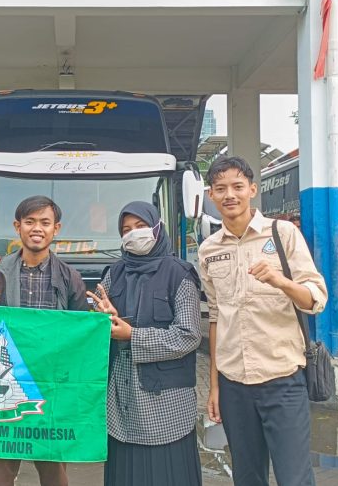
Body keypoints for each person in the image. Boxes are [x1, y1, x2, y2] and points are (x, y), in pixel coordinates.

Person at [199, 156, 328, 486]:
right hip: (233, 384)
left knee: (294, 477)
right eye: (221, 188)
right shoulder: (209, 249)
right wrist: (214, 386)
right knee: (247, 476)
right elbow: (215, 318)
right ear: (211, 195)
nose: (230, 195)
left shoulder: (282, 234)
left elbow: (316, 298)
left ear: (252, 190)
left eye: (238, 187)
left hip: (282, 378)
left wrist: (281, 281)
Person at [0, 195, 88, 486]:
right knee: (0, 471)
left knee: (53, 471)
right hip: (5, 386)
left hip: (50, 386)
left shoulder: (70, 278)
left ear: (56, 229)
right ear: (17, 226)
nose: (37, 228)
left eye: (45, 222)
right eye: (30, 221)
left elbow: (81, 335)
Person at [87, 201, 202, 486]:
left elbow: (188, 335)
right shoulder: (114, 273)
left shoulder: (180, 274)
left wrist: (133, 336)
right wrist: (104, 319)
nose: (133, 234)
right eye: (126, 230)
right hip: (122, 398)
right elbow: (101, 321)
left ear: (156, 229)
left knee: (168, 473)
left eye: (140, 227)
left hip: (166, 401)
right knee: (124, 473)